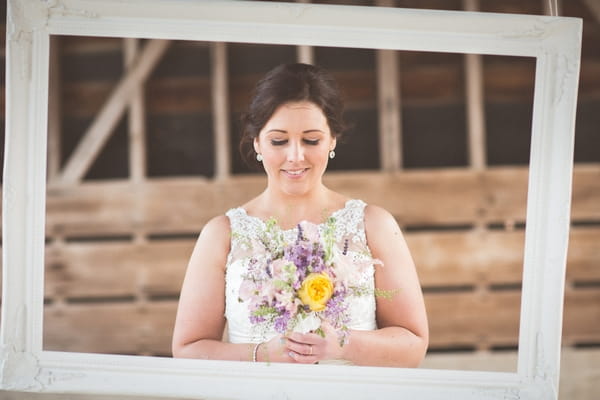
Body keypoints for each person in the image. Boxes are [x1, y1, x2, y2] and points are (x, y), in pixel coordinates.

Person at [172, 63, 428, 367]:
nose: (295, 156)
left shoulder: (374, 225)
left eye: (311, 140)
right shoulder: (222, 234)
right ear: (257, 143)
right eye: (279, 141)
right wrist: (261, 354)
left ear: (332, 139)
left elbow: (413, 344)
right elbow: (188, 350)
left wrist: (342, 344)